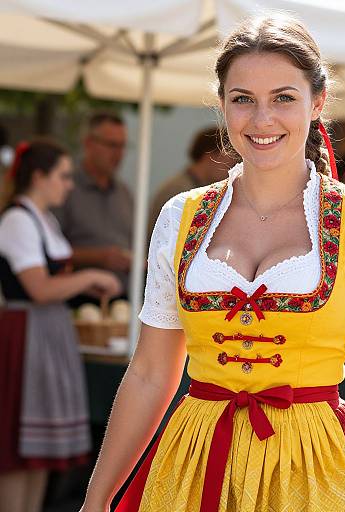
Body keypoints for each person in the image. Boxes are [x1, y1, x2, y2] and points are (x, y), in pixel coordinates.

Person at [80, 15, 345, 512]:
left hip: (314, 471)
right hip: (194, 465)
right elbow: (148, 373)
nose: (262, 119)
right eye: (242, 98)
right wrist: (96, 499)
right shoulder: (180, 217)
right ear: (223, 104)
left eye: (284, 98)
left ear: (317, 103)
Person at [0, 140, 121, 512]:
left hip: (46, 332)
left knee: (38, 456)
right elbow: (38, 288)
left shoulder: (43, 218)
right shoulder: (18, 220)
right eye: (63, 176)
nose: (69, 184)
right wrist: (89, 277)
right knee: (20, 449)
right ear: (38, 177)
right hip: (25, 334)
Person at [55, 112, 133, 300]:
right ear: (89, 143)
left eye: (123, 146)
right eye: (112, 145)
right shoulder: (64, 188)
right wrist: (99, 257)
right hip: (77, 298)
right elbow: (48, 250)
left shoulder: (125, 192)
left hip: (121, 298)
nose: (119, 153)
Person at [148, 126, 233, 233]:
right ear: (210, 156)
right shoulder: (178, 190)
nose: (232, 170)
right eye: (230, 163)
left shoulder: (185, 186)